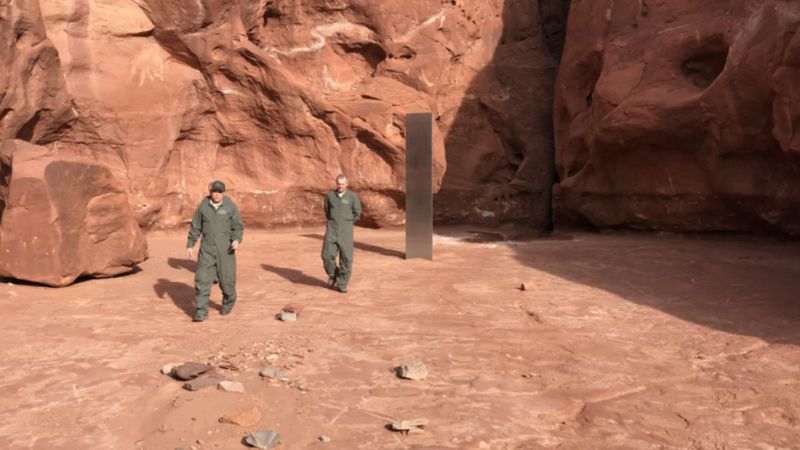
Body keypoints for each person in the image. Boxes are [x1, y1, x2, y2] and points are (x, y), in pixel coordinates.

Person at [186, 180, 244, 322]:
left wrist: (236, 239)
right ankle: (201, 311)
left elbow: (238, 225)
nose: (216, 194)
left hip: (226, 249)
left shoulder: (230, 206)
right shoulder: (203, 207)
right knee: (202, 279)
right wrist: (190, 244)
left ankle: (229, 301)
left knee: (227, 280)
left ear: (223, 193)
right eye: (214, 191)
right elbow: (195, 226)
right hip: (207, 249)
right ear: (210, 192)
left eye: (219, 192)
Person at [322, 174, 362, 293]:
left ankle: (342, 283)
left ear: (347, 184)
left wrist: (347, 222)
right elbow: (327, 210)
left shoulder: (352, 197)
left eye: (342, 184)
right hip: (332, 229)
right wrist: (334, 221)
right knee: (326, 255)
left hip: (346, 231)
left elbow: (357, 212)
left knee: (346, 259)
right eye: (338, 184)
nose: (340, 186)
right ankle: (333, 274)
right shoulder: (330, 196)